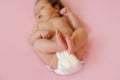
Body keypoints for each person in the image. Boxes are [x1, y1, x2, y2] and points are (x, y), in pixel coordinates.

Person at [29, 0, 88, 75]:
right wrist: (39, 33)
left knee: (81, 31)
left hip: (75, 53)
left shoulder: (63, 19)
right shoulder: (38, 26)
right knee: (36, 44)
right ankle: (58, 46)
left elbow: (77, 27)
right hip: (56, 59)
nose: (38, 13)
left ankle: (74, 45)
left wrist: (70, 14)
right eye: (35, 13)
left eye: (42, 8)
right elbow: (31, 40)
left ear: (56, 7)